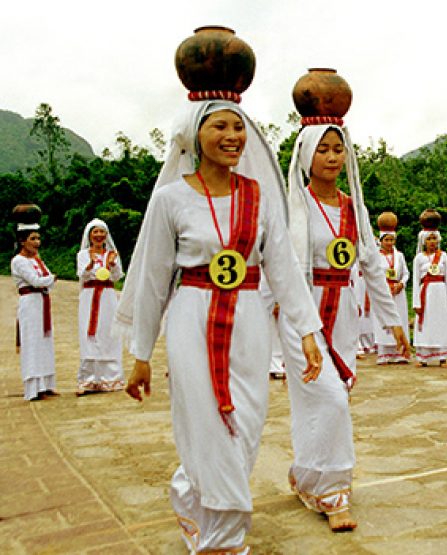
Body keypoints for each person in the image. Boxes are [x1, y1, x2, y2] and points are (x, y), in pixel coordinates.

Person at [117, 95, 323, 553]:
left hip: (248, 318)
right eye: (220, 128)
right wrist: (142, 354)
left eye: (238, 127)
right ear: (196, 136)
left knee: (246, 425)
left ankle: (193, 495)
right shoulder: (171, 199)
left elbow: (283, 268)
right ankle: (224, 542)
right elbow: (152, 279)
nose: (232, 137)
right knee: (207, 425)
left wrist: (307, 330)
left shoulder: (259, 196)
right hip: (192, 315)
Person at [282, 110, 410, 532]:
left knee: (327, 402)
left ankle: (307, 476)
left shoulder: (354, 208)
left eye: (339, 149)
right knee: (328, 399)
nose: (332, 157)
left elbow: (371, 264)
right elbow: (277, 264)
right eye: (323, 148)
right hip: (304, 314)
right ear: (305, 154)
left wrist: (393, 323)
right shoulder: (294, 204)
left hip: (344, 315)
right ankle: (336, 492)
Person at [11, 208, 58, 401]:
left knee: (45, 341)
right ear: (23, 241)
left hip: (42, 302)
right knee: (32, 342)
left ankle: (46, 384)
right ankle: (33, 386)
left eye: (38, 238)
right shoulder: (19, 261)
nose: (36, 242)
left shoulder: (37, 260)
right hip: (30, 303)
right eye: (32, 239)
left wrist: (47, 280)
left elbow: (45, 278)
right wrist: (49, 279)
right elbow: (37, 280)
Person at [75, 219, 125, 395]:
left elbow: (118, 276)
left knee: (108, 333)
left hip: (107, 297)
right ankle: (88, 379)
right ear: (89, 235)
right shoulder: (83, 254)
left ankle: (110, 378)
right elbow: (82, 274)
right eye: (95, 232)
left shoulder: (112, 254)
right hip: (89, 296)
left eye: (101, 232)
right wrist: (90, 263)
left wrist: (111, 264)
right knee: (89, 334)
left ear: (106, 235)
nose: (98, 235)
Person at [412, 216, 447, 367]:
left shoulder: (443, 256)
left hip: (441, 293)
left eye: (434, 239)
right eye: (429, 239)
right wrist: (416, 301)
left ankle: (443, 356)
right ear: (424, 241)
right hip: (426, 293)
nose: (432, 242)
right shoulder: (418, 258)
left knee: (441, 322)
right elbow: (416, 280)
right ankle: (423, 357)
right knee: (427, 323)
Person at [373, 214, 411, 364]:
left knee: (399, 318)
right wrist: (383, 286)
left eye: (391, 240)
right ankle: (384, 354)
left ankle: (400, 353)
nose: (389, 243)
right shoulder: (376, 256)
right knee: (383, 320)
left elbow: (406, 273)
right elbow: (374, 273)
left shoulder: (399, 256)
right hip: (384, 291)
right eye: (386, 240)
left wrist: (401, 283)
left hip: (397, 291)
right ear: (381, 241)